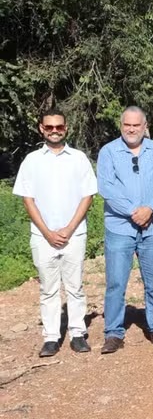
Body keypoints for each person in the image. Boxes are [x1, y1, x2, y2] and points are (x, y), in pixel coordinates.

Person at [13, 109, 97, 357]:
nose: (54, 131)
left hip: (74, 234)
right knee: (48, 289)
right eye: (49, 127)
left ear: (66, 128)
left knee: (75, 287)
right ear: (41, 128)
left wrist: (69, 228)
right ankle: (51, 337)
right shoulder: (31, 160)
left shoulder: (79, 158)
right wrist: (47, 232)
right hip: (42, 237)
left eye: (58, 127)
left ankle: (77, 333)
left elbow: (88, 195)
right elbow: (28, 200)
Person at [96, 106, 153, 354]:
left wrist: (150, 209)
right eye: (127, 125)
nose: (131, 129)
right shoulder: (108, 151)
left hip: (152, 228)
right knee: (116, 283)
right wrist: (135, 211)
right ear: (121, 126)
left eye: (136, 125)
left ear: (145, 126)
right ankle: (113, 333)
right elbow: (106, 188)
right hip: (120, 227)